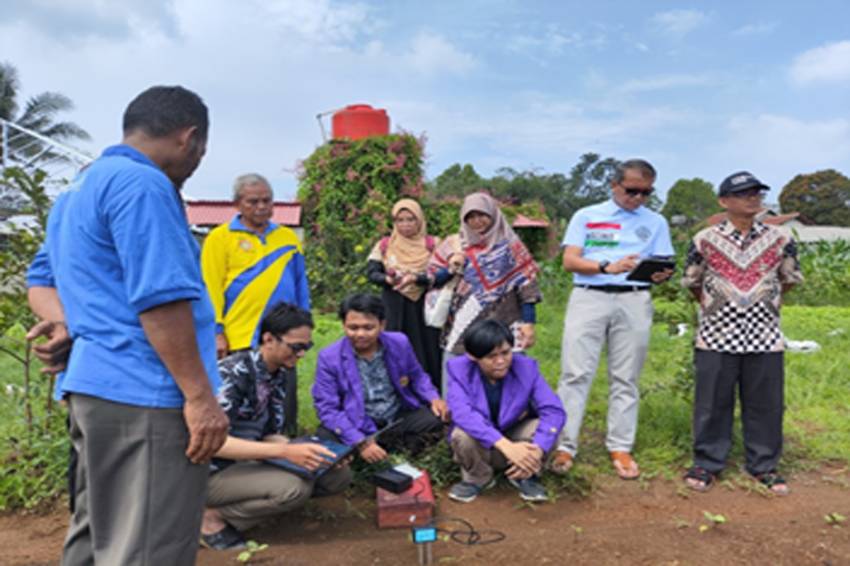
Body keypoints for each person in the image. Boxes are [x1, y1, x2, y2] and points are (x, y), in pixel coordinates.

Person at [25, 85, 228, 565]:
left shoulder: (78, 188)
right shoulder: (144, 185)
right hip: (146, 393)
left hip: (94, 391)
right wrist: (199, 398)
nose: (197, 160)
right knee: (147, 547)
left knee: (97, 535)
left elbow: (41, 282)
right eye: (201, 150)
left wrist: (70, 323)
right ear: (189, 137)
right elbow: (161, 301)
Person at [681, 171, 803, 495]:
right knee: (712, 402)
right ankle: (707, 463)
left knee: (765, 403)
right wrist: (721, 306)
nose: (753, 198)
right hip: (717, 333)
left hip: (764, 334)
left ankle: (764, 465)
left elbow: (788, 279)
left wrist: (760, 301)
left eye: (757, 193)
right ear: (724, 202)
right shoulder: (704, 240)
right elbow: (693, 281)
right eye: (744, 193)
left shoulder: (781, 238)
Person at [552, 159, 673, 480]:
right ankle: (564, 444)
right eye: (632, 190)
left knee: (626, 376)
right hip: (590, 295)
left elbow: (664, 261)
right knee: (575, 372)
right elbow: (570, 260)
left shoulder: (656, 221)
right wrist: (607, 267)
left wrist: (661, 274)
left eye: (646, 192)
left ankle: (620, 445)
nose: (638, 198)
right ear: (614, 185)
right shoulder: (587, 216)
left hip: (635, 298)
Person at [201, 303, 351, 550]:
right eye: (296, 347)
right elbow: (214, 444)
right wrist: (285, 452)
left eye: (306, 347)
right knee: (293, 489)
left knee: (336, 475)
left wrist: (319, 451)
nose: (302, 354)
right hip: (210, 471)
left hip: (247, 462)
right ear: (269, 339)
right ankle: (208, 518)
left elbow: (270, 434)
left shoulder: (277, 374)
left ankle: (248, 505)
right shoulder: (232, 374)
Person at [312, 293, 449, 462]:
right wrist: (360, 441)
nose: (360, 334)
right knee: (326, 436)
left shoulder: (399, 342)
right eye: (353, 328)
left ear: (382, 325)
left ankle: (382, 453)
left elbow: (417, 375)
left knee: (435, 420)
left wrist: (433, 398)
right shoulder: (329, 357)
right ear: (343, 325)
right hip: (357, 421)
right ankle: (371, 452)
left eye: (368, 328)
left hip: (396, 416)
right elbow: (328, 408)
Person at [429, 192, 541, 389]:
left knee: (507, 367)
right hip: (464, 318)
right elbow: (434, 279)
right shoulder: (454, 243)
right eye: (470, 217)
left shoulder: (510, 246)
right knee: (457, 366)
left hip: (505, 315)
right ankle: (456, 415)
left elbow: (527, 284)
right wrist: (453, 265)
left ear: (493, 215)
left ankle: (510, 415)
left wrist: (528, 322)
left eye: (482, 215)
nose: (476, 221)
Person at [446, 320, 566, 503]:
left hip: (516, 434)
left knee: (550, 429)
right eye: (491, 356)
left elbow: (553, 410)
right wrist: (504, 445)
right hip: (486, 443)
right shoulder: (459, 371)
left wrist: (538, 450)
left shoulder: (526, 368)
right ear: (473, 357)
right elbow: (462, 414)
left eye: (505, 353)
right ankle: (478, 478)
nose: (501, 361)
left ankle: (526, 473)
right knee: (462, 434)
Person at [201, 173, 310, 358]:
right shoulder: (219, 238)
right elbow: (210, 288)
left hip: (283, 339)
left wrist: (304, 328)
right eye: (253, 202)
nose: (261, 207)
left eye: (267, 201)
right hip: (240, 338)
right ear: (237, 204)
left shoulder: (288, 238)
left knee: (283, 387)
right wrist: (216, 332)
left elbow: (301, 286)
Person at [366, 198, 442, 390]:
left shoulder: (433, 245)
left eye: (411, 219)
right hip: (395, 305)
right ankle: (396, 391)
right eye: (400, 220)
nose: (405, 225)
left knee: (427, 348)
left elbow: (442, 274)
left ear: (420, 220)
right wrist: (388, 280)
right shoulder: (385, 245)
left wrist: (417, 279)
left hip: (425, 307)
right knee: (394, 347)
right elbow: (372, 272)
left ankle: (430, 393)